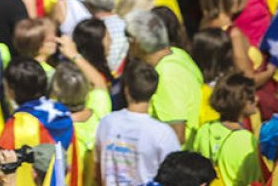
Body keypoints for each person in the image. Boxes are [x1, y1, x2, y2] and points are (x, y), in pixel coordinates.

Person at [94, 58, 179, 186]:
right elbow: (175, 176)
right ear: (154, 91)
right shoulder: (163, 133)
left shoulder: (107, 122)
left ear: (126, 90)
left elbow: (97, 168)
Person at [124, 10, 203, 144]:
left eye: (128, 39)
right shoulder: (177, 54)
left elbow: (176, 135)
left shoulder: (166, 75)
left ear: (136, 43)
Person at [188, 73, 262, 186]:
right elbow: (254, 181)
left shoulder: (205, 130)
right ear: (240, 102)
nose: (257, 99)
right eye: (251, 97)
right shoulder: (247, 140)